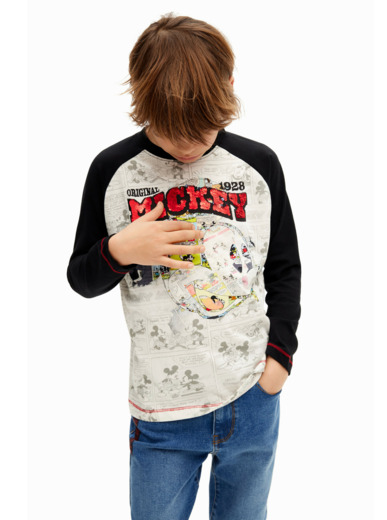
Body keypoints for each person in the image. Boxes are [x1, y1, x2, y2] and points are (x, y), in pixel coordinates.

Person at [66, 12, 302, 520]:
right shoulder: (114, 171)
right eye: (174, 132)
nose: (190, 145)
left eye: (204, 129)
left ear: (229, 88)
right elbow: (80, 277)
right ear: (141, 100)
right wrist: (120, 250)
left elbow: (284, 268)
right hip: (161, 411)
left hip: (251, 395)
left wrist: (279, 360)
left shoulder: (259, 165)